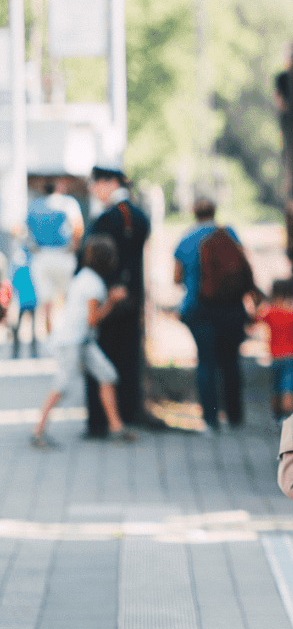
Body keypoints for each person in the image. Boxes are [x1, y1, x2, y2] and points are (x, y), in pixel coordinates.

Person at [32, 235, 134, 447]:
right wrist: (112, 302)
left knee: (107, 375)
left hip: (82, 340)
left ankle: (116, 427)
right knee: (63, 384)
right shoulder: (93, 284)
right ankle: (38, 431)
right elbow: (93, 319)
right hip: (72, 341)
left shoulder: (84, 276)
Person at [82, 165, 151, 437]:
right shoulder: (138, 216)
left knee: (102, 359)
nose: (92, 190)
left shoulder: (110, 218)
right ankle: (127, 411)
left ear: (109, 183)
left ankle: (100, 421)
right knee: (127, 357)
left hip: (107, 300)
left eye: (95, 184)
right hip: (132, 299)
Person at [174, 198, 251, 431]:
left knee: (206, 363)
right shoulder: (228, 234)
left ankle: (210, 419)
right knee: (230, 361)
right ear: (214, 211)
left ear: (193, 213)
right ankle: (235, 417)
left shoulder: (185, 240)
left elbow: (176, 278)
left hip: (199, 309)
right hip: (232, 308)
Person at [25, 179, 84, 336]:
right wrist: (74, 247)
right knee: (67, 299)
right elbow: (78, 227)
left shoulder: (34, 206)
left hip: (42, 257)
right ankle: (67, 335)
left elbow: (24, 231)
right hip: (63, 255)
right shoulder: (67, 203)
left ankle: (51, 338)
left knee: (46, 304)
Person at [256, 279, 293, 420]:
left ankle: (276, 415)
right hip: (291, 356)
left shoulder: (270, 312)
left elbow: (257, 318)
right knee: (288, 388)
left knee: (276, 387)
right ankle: (287, 416)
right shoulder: (292, 314)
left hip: (275, 357)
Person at [7, 245, 37, 358]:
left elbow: (12, 279)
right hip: (31, 298)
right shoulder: (32, 260)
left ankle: (15, 352)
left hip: (21, 299)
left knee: (17, 328)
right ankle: (33, 352)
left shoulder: (17, 260)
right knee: (32, 328)